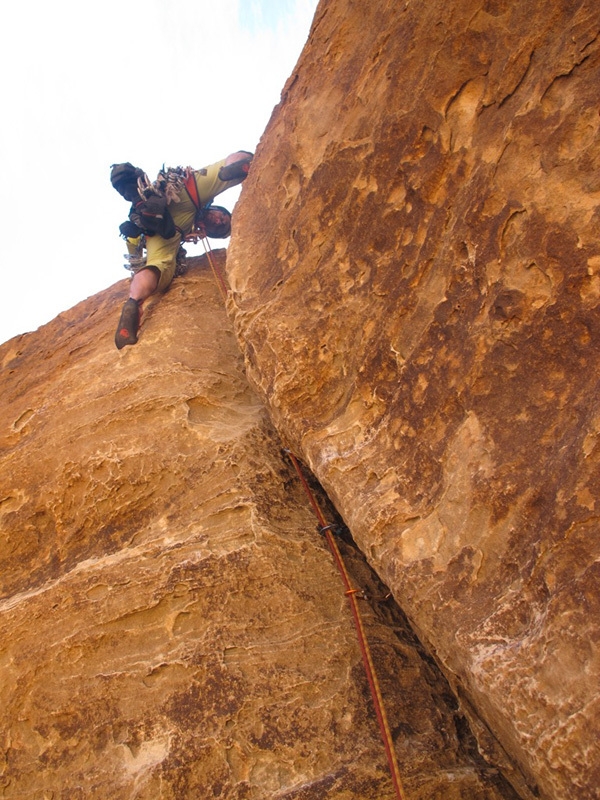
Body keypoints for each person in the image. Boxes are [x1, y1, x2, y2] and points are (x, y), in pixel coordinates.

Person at [112, 151, 253, 349]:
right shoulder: (200, 200)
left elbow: (136, 253)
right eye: (223, 217)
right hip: (182, 196)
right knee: (221, 174)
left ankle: (133, 303)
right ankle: (246, 162)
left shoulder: (190, 232)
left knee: (159, 265)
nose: (220, 221)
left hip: (163, 232)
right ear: (217, 209)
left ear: (208, 233)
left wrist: (134, 237)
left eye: (220, 227)